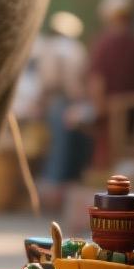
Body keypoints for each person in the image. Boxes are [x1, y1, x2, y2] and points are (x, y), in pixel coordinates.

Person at [88, 0, 134, 168]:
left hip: (112, 113)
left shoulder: (103, 44)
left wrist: (100, 111)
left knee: (107, 157)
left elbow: (97, 82)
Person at [36, 10, 94, 185]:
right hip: (74, 101)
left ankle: (53, 181)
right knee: (69, 143)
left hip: (57, 99)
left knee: (57, 143)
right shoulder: (76, 48)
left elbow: (48, 80)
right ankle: (66, 180)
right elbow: (81, 78)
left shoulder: (49, 47)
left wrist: (40, 101)